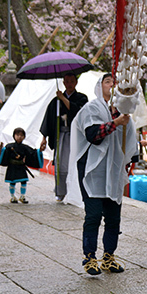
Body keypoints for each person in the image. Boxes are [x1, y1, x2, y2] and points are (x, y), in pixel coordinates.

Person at [67, 73, 138, 276]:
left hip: (113, 170)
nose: (112, 85)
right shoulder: (91, 108)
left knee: (114, 217)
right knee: (94, 214)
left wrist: (130, 160)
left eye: (115, 83)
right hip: (92, 171)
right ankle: (89, 256)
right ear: (100, 87)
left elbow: (131, 142)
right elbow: (93, 136)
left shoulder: (123, 112)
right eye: (108, 82)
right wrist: (116, 123)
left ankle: (109, 256)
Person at [39, 73, 89, 201]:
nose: (69, 84)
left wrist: (63, 98)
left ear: (76, 83)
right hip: (60, 135)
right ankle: (60, 192)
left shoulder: (82, 98)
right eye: (67, 81)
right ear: (63, 82)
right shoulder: (55, 101)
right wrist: (44, 137)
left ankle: (75, 192)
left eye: (72, 81)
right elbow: (48, 119)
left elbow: (78, 111)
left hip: (75, 136)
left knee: (74, 164)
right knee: (60, 164)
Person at [0, 127, 42, 203]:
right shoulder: (9, 147)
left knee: (24, 181)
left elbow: (32, 153)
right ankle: (13, 197)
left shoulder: (25, 147)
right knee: (12, 182)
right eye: (17, 135)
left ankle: (22, 196)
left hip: (21, 166)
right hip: (12, 167)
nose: (19, 137)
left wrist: (39, 151)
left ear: (24, 137)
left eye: (21, 135)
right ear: (14, 136)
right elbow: (4, 156)